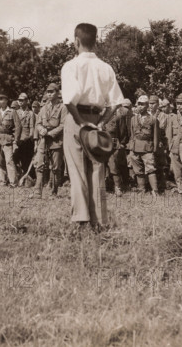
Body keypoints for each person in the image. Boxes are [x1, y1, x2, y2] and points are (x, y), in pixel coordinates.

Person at [61, 23, 124, 230]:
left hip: (77, 118)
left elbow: (69, 100)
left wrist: (80, 122)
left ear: (76, 41)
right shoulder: (105, 67)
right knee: (97, 170)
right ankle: (99, 221)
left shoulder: (71, 66)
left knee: (77, 170)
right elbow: (115, 102)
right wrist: (102, 123)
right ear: (95, 41)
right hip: (97, 119)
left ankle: (81, 220)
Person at [33, 83, 67, 198]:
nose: (49, 94)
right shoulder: (43, 108)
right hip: (43, 141)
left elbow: (63, 125)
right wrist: (41, 129)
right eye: (48, 92)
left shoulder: (63, 108)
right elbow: (37, 123)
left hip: (56, 141)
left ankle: (54, 191)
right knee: (39, 165)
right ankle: (38, 191)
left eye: (52, 92)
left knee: (56, 168)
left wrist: (50, 133)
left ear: (58, 93)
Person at [127, 95, 160, 196]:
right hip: (135, 147)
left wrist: (154, 148)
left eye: (142, 105)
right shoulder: (133, 119)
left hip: (147, 147)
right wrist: (131, 148)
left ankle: (155, 191)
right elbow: (131, 134)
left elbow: (155, 136)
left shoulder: (153, 119)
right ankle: (142, 190)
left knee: (150, 169)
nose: (140, 107)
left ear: (147, 106)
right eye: (138, 104)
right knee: (137, 170)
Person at [0, 93, 21, 187]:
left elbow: (18, 127)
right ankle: (3, 181)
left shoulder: (12, 112)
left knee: (9, 160)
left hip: (8, 139)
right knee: (0, 161)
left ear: (6, 101)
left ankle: (13, 182)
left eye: (1, 99)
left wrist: (16, 140)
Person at [15, 92, 36, 178]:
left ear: (27, 101)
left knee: (27, 159)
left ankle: (29, 178)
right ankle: (19, 176)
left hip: (26, 140)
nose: (20, 102)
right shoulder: (15, 112)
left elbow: (32, 129)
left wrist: (28, 138)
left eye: (22, 100)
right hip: (17, 139)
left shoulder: (31, 113)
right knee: (16, 159)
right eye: (19, 100)